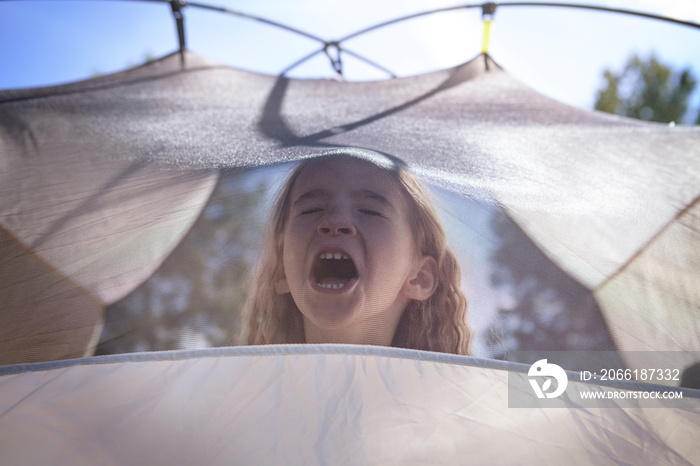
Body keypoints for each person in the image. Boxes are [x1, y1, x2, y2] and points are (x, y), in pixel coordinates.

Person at [241, 151, 470, 355]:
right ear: (281, 268)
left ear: (420, 276)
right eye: (312, 209)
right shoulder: (235, 397)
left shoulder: (459, 401)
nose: (334, 220)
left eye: (369, 211)